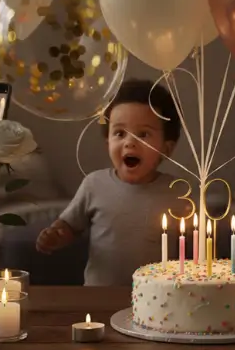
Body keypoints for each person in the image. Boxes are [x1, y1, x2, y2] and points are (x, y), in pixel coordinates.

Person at [36, 78, 184, 285]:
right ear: (108, 143)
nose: (129, 142)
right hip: (99, 296)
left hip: (156, 301)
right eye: (120, 133)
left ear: (166, 148)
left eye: (143, 134)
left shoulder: (176, 193)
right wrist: (57, 235)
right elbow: (70, 225)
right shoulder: (94, 185)